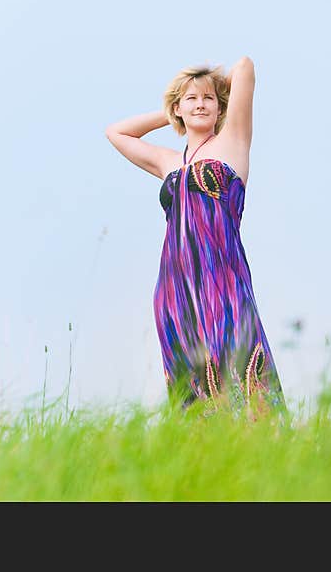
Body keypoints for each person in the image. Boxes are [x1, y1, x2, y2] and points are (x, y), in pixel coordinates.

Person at [105, 57, 286, 417]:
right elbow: (117, 132)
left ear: (222, 105)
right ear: (178, 108)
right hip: (175, 289)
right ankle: (205, 458)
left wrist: (208, 89)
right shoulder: (168, 162)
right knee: (192, 384)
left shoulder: (233, 140)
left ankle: (268, 451)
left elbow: (245, 66)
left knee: (241, 362)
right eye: (191, 99)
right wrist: (172, 112)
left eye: (208, 99)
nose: (201, 104)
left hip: (223, 279)